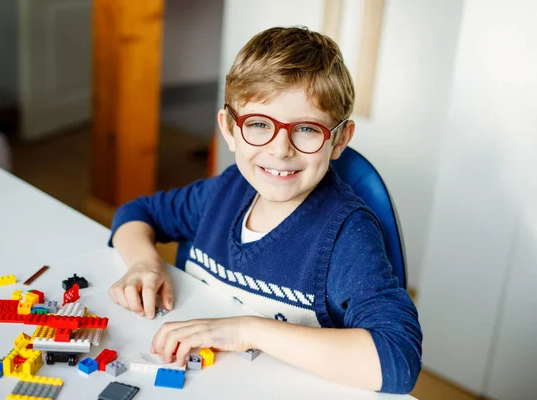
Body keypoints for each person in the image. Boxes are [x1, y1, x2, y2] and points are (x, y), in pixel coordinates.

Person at [108, 26, 422, 394]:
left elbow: (397, 361)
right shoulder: (224, 191)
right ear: (229, 128)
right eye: (259, 124)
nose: (280, 150)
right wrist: (144, 262)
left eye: (306, 129)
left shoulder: (346, 235)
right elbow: (136, 213)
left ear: (339, 140)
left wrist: (246, 330)